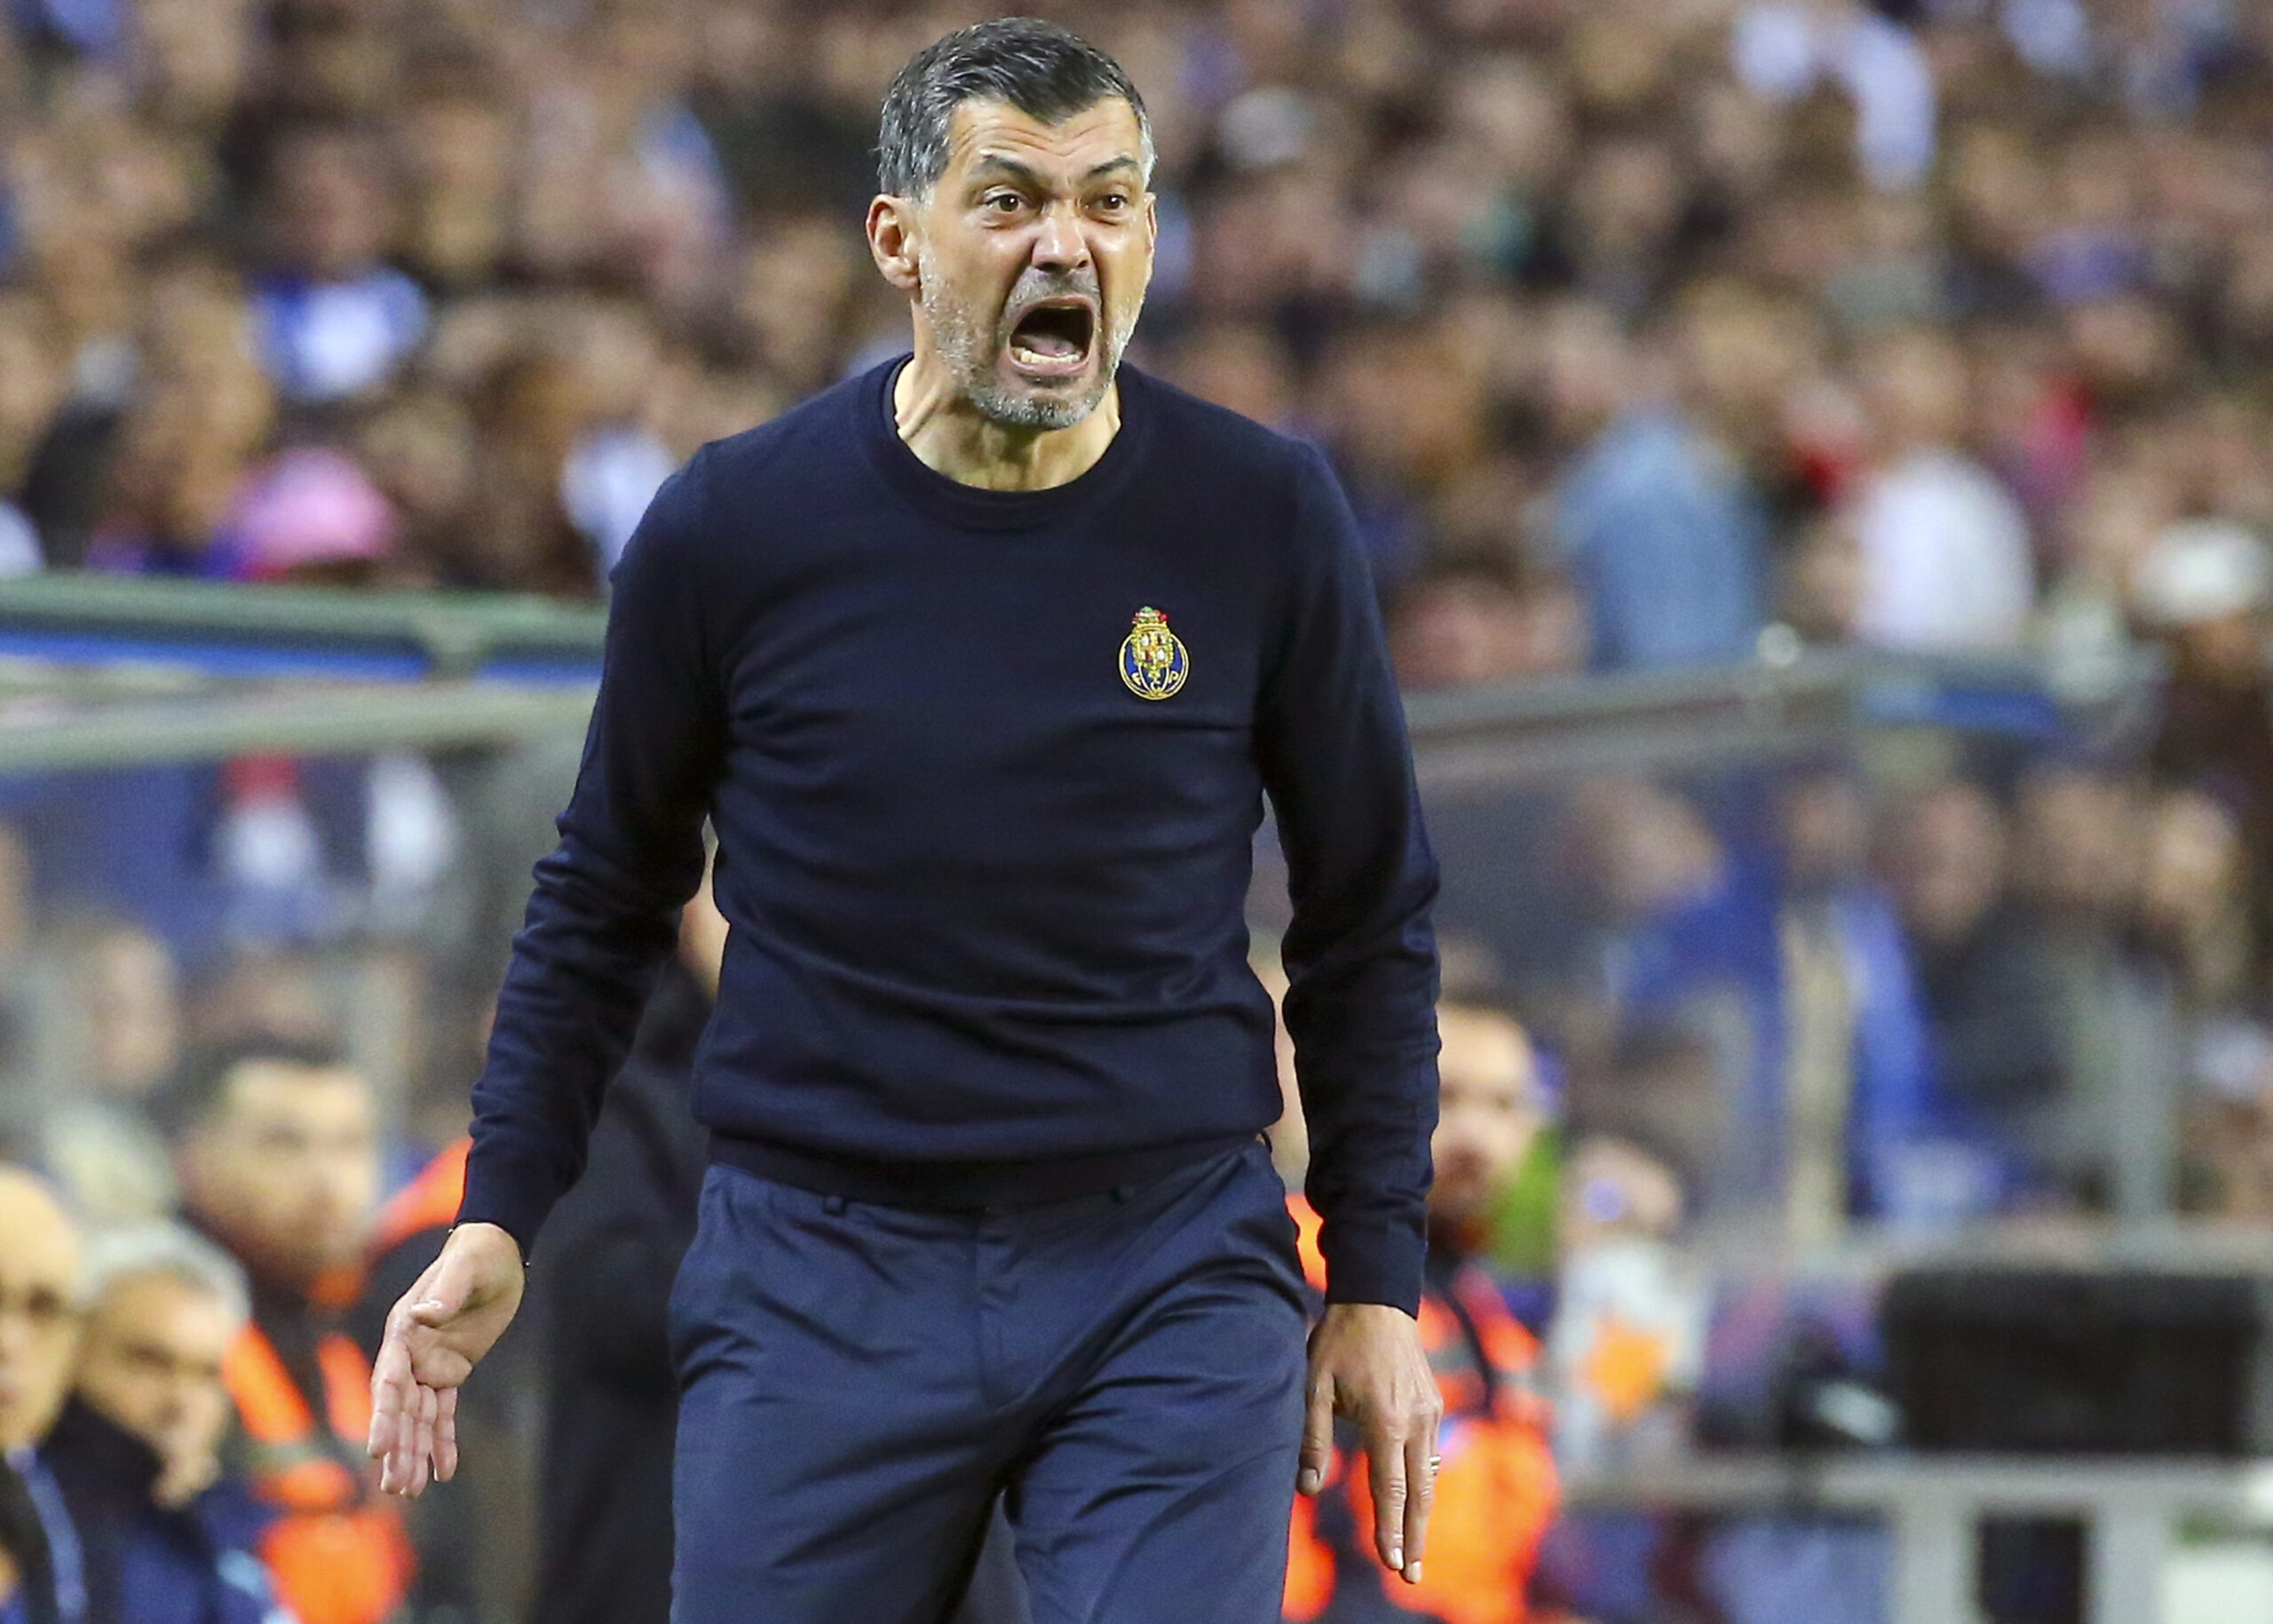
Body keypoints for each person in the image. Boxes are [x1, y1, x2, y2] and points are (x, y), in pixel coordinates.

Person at [369, 20, 1445, 1624]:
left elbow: (1368, 908)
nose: (1066, 242)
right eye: (1008, 200)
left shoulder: (1261, 512)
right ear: (899, 236)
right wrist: (502, 1204)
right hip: (819, 1262)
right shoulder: (738, 523)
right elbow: (604, 889)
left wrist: (1374, 1272)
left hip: (1162, 1256)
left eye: (1111, 200)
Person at [1282, 960, 1558, 1624]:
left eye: (1503, 1105)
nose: (1475, 1136)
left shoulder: (1485, 1312)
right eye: (1447, 1097)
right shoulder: (1299, 1268)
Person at [158, 1042, 410, 1624]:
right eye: (284, 1143)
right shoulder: (158, 1342)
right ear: (194, 1155)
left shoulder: (352, 1331)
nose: (327, 1180)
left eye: (350, 1144)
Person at [59, 1224, 291, 1624]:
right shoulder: (42, 1530)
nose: (181, 1403)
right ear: (72, 1356)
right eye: (148, 1362)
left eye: (207, 1374)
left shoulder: (240, 1529)